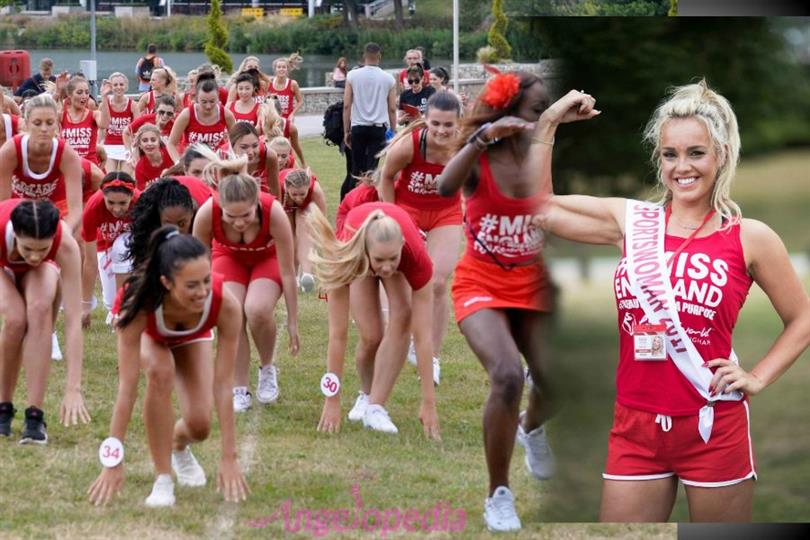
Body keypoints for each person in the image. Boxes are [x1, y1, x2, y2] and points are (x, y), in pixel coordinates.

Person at [528, 80, 810, 523]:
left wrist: (757, 376)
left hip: (712, 423)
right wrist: (547, 123)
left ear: (721, 155)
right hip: (635, 427)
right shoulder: (632, 221)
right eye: (670, 154)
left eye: (696, 152)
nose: (682, 167)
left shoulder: (748, 236)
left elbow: (803, 318)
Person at [437, 70, 558, 532]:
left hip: (534, 283)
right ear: (509, 114)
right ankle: (498, 494)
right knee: (507, 376)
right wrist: (483, 138)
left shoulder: (544, 155)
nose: (541, 118)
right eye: (535, 111)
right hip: (482, 283)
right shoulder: (482, 156)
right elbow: (446, 188)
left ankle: (532, 427)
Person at [87, 226, 249, 507]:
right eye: (191, 285)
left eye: (206, 280)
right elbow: (127, 390)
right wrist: (112, 460)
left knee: (200, 426)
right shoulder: (137, 305)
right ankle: (163, 479)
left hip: (193, 335)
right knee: (161, 373)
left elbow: (224, 387)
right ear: (166, 282)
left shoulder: (225, 305)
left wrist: (229, 456)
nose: (202, 292)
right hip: (151, 336)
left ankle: (177, 446)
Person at [307, 202, 439, 439]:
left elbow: (423, 336)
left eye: (392, 258)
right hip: (358, 261)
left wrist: (429, 402)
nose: (387, 268)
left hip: (390, 253)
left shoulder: (416, 258)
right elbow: (338, 335)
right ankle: (365, 396)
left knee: (404, 315)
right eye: (380, 260)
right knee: (371, 336)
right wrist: (332, 399)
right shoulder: (346, 256)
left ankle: (376, 406)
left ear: (402, 247)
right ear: (367, 250)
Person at [193, 174, 299, 412]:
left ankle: (267, 368)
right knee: (232, 314)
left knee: (257, 309)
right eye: (231, 216)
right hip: (227, 257)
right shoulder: (207, 213)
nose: (239, 223)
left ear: (257, 204)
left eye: (246, 216)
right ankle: (239, 388)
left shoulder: (274, 212)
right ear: (220, 207)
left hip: (267, 258)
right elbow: (197, 265)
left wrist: (293, 321)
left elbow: (289, 271)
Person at [380, 92, 463, 385]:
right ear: (426, 121)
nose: (441, 130)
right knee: (406, 277)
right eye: (436, 123)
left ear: (458, 124)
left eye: (448, 125)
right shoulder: (410, 145)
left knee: (438, 282)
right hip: (408, 211)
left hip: (446, 213)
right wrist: (389, 216)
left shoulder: (464, 147)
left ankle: (432, 357)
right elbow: (386, 177)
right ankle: (395, 327)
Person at [0, 199, 88, 443]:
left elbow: (72, 320)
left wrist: (73, 387)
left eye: (43, 248)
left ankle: (34, 416)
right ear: (15, 233)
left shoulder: (65, 245)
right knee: (16, 320)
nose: (35, 256)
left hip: (42, 275)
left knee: (39, 310)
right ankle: (3, 408)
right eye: (28, 248)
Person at [0, 94, 83, 232]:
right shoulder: (10, 151)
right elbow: (3, 203)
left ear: (57, 124)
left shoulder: (67, 155)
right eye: (37, 123)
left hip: (55, 205)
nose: (44, 129)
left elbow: (75, 210)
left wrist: (63, 234)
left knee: (79, 235)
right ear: (26, 124)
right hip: (18, 206)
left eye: (50, 123)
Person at [81, 172, 139, 326]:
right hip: (105, 244)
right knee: (109, 302)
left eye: (123, 203)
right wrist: (85, 306)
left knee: (121, 247)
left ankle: (123, 310)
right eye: (111, 202)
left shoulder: (141, 203)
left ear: (132, 195)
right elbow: (90, 262)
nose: (117, 209)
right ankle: (115, 308)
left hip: (133, 243)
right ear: (103, 195)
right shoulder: (93, 208)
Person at [343, 43, 397, 198]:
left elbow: (347, 105)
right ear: (379, 56)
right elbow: (392, 108)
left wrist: (346, 130)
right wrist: (393, 130)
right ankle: (369, 199)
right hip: (378, 128)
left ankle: (353, 200)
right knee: (372, 169)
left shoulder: (353, 76)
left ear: (363, 56)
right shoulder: (388, 79)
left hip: (358, 126)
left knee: (356, 168)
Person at [168, 73, 235, 162]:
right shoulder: (187, 114)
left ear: (218, 96)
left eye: (212, 101)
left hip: (216, 163)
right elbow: (171, 143)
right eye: (204, 102)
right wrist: (178, 163)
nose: (208, 106)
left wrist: (232, 159)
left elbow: (237, 141)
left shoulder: (226, 114)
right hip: (191, 163)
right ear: (196, 98)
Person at [278, 168, 326, 291]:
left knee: (305, 232)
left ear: (308, 188)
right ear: (287, 188)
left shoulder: (315, 190)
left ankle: (307, 274)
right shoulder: (278, 187)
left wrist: (318, 235)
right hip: (284, 204)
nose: (298, 198)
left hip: (307, 206)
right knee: (290, 237)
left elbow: (322, 217)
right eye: (294, 194)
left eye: (302, 194)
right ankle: (293, 276)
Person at [59, 75, 109, 167]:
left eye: (87, 92)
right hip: (69, 166)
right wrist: (58, 93)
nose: (84, 96)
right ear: (69, 95)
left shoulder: (94, 114)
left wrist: (104, 96)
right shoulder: (61, 116)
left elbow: (104, 124)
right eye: (79, 92)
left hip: (90, 167)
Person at [100, 72, 139, 174]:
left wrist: (134, 150)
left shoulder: (133, 105)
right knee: (109, 177)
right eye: (115, 85)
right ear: (111, 87)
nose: (118, 87)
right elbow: (102, 126)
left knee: (125, 178)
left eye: (121, 84)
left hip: (127, 146)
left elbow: (138, 129)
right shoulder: (105, 103)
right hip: (109, 145)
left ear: (126, 86)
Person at [227, 123, 279, 196]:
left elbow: (274, 189)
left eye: (255, 146)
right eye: (244, 147)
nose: (251, 152)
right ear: (232, 147)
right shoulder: (223, 157)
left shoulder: (269, 156)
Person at [262, 97, 305, 168]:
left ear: (281, 114)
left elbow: (296, 146)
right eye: (267, 118)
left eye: (274, 118)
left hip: (286, 162)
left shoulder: (290, 127)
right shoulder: (261, 127)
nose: (271, 122)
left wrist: (303, 163)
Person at [133, 124, 175, 190]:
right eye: (145, 140)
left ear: (159, 142)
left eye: (153, 140)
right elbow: (141, 194)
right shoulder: (140, 167)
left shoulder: (171, 153)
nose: (149, 144)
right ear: (140, 145)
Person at [269, 54, 303, 122]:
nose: (281, 69)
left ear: (287, 69)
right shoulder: (270, 82)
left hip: (287, 119)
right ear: (275, 69)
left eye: (284, 67)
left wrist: (292, 114)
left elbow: (300, 101)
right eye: (279, 67)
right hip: (273, 119)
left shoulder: (293, 84)